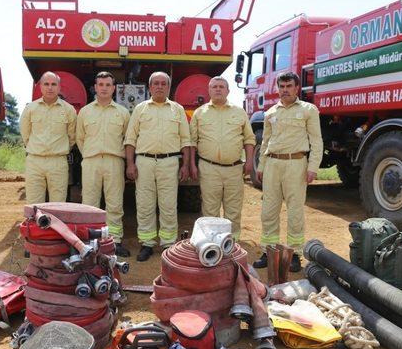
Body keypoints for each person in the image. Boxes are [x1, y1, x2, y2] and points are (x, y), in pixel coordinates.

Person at [252, 71, 323, 272]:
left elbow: (316, 141)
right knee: (268, 211)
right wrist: (262, 166)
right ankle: (269, 251)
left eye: (289, 86)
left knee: (295, 212)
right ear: (277, 88)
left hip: (296, 164)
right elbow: (266, 141)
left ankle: (294, 255)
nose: (285, 90)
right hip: (273, 164)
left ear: (296, 88)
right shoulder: (270, 113)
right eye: (281, 87)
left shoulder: (309, 110)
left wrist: (312, 167)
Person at [124, 72, 192, 262]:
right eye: (156, 83)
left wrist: (185, 165)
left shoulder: (177, 109)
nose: (160, 86)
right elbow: (130, 139)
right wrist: (130, 163)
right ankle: (147, 243)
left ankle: (168, 244)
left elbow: (186, 140)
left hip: (169, 162)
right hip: (144, 161)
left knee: (168, 204)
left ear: (169, 87)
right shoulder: (140, 109)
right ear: (150, 86)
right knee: (145, 204)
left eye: (164, 83)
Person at [189, 76, 255, 240]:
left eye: (221, 87)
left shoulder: (239, 112)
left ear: (228, 91)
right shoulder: (200, 113)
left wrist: (249, 161)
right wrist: (191, 164)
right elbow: (191, 142)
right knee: (210, 209)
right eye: (214, 87)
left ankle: (231, 243)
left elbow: (249, 139)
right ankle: (211, 243)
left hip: (234, 169)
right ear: (209, 90)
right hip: (208, 167)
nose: (218, 89)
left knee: (233, 209)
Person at [76, 71, 131, 257]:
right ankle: (89, 241)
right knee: (90, 203)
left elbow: (127, 138)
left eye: (108, 85)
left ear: (114, 88)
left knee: (114, 203)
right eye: (101, 84)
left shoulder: (123, 113)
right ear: (95, 87)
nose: (104, 88)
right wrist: (90, 155)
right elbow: (79, 138)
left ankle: (114, 240)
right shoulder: (85, 112)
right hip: (91, 161)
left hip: (114, 160)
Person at [20, 71, 77, 203]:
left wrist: (60, 149)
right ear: (40, 86)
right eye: (46, 84)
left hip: (58, 161)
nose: (50, 87)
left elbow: (72, 136)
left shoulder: (69, 110)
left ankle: (55, 224)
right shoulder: (30, 109)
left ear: (59, 87)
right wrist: (36, 149)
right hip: (35, 161)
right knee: (34, 203)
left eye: (53, 84)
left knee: (58, 204)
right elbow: (25, 134)